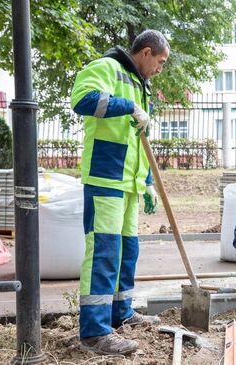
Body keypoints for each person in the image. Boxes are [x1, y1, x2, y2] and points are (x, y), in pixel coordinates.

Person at [70, 29, 169, 355]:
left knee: (127, 252)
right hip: (105, 177)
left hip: (129, 184)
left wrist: (148, 183)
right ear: (145, 53)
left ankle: (121, 313)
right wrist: (127, 106)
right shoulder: (106, 68)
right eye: (160, 61)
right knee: (104, 253)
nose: (160, 68)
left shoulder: (142, 85)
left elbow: (135, 143)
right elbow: (82, 101)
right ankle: (94, 332)